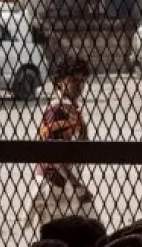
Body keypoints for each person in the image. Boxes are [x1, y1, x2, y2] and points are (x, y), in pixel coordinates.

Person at [27, 58, 94, 228]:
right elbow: (53, 152)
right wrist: (76, 184)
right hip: (51, 182)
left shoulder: (72, 108)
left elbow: (83, 143)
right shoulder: (55, 110)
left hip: (63, 182)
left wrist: (81, 120)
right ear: (59, 82)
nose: (79, 87)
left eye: (83, 82)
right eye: (74, 81)